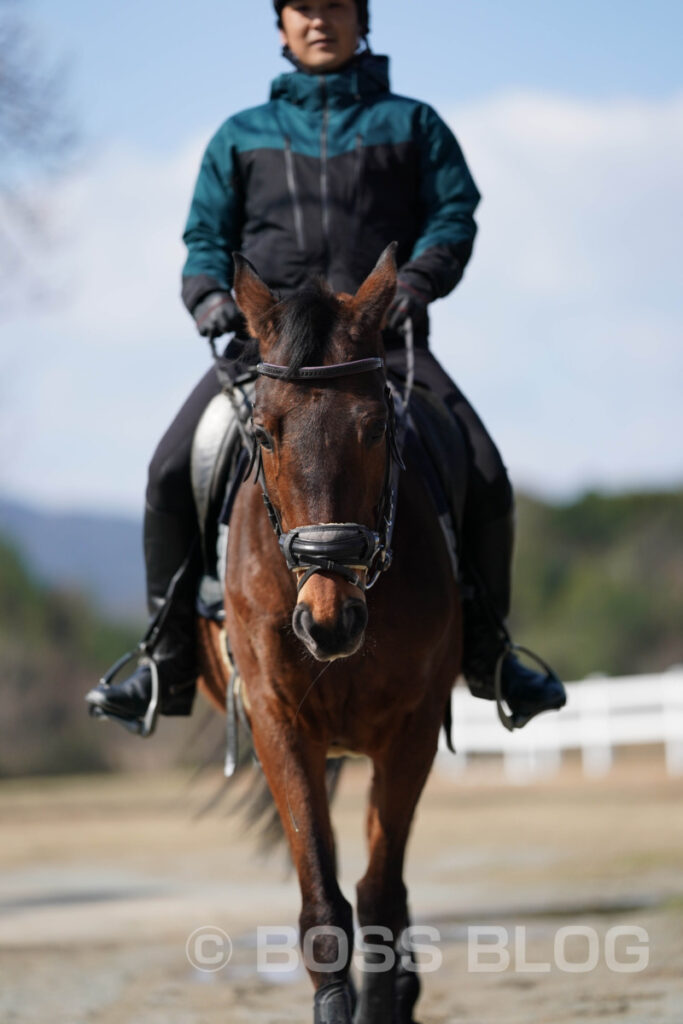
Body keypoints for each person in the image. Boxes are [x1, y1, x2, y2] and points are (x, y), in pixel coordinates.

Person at [86, 0, 565, 731]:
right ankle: (167, 658)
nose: (319, 20)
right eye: (302, 8)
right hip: (268, 351)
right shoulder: (239, 135)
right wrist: (209, 296)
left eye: (335, 6)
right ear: (280, 26)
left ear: (360, 21)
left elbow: (453, 214)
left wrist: (415, 283)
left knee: (487, 473)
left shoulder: (413, 124)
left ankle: (491, 653)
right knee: (165, 470)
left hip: (381, 343)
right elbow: (203, 238)